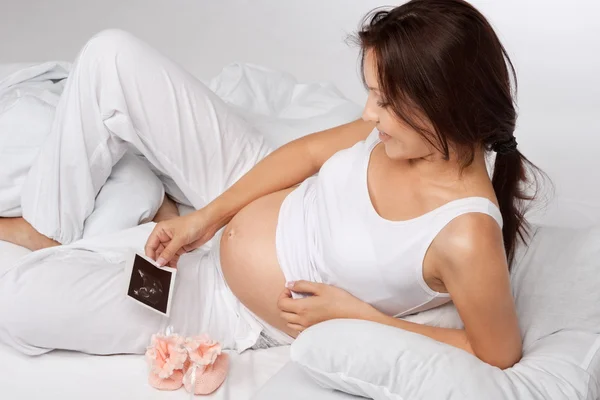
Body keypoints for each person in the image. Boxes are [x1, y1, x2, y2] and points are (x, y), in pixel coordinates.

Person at [0, 0, 543, 369]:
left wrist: (358, 317)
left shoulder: (465, 235)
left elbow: (495, 353)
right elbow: (308, 153)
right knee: (109, 55)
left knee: (20, 305)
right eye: (372, 91)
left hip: (229, 300)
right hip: (249, 186)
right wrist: (203, 217)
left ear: (441, 107)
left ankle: (140, 210)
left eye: (384, 101)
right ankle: (54, 224)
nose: (368, 112)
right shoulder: (409, 132)